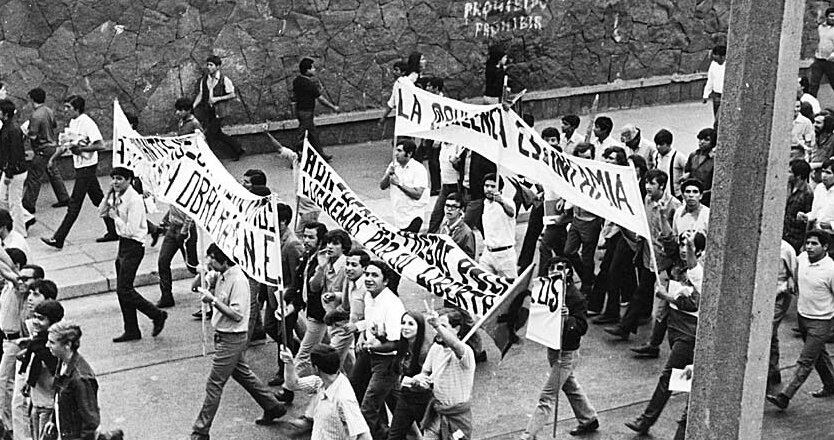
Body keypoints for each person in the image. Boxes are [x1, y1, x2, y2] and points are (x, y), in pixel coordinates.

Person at [191, 244, 287, 439]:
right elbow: (195, 287)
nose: (210, 261)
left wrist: (213, 301)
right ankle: (273, 406)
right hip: (222, 335)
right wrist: (203, 272)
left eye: (212, 258)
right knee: (243, 374)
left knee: (214, 384)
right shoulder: (220, 274)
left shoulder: (239, 281)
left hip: (232, 338)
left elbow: (237, 314)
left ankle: (201, 430)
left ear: (225, 261)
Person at [625, 231, 705, 435]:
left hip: (689, 333)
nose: (683, 251)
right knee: (680, 379)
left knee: (669, 377)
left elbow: (692, 304)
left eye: (689, 248)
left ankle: (648, 420)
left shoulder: (700, 273)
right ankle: (679, 426)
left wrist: (666, 297)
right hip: (676, 329)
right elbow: (666, 241)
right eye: (682, 247)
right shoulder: (678, 268)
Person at [521, 257, 599, 439]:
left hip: (566, 352)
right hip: (553, 348)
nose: (556, 271)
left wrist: (568, 318)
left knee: (547, 396)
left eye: (561, 268)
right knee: (569, 384)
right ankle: (588, 418)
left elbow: (582, 327)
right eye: (552, 268)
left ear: (569, 272)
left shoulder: (575, 297)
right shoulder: (547, 291)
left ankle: (529, 434)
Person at [606, 170, 680, 341]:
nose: (647, 186)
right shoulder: (647, 200)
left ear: (661, 186)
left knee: (660, 293)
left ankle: (635, 330)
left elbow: (673, 234)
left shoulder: (673, 205)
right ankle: (630, 325)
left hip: (665, 257)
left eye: (652, 183)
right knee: (643, 288)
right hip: (648, 251)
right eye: (646, 182)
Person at [99, 167, 167, 343]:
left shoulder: (135, 200)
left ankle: (157, 314)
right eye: (113, 178)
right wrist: (109, 194)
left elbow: (131, 230)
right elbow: (101, 212)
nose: (115, 181)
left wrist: (116, 218)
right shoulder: (118, 196)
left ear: (129, 180)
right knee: (122, 291)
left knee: (124, 289)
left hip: (134, 246)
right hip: (123, 246)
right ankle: (131, 329)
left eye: (119, 178)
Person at [768, 229, 834, 410]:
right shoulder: (802, 258)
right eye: (809, 243)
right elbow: (793, 272)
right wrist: (790, 279)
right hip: (802, 317)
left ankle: (785, 396)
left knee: (805, 360)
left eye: (815, 244)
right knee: (818, 355)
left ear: (825, 247)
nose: (810, 247)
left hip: (821, 322)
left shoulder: (830, 269)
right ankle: (831, 384)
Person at [41, 95, 117, 249]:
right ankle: (118, 230)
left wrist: (81, 149)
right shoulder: (73, 123)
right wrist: (53, 159)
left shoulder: (87, 123)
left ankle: (59, 238)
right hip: (80, 166)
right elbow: (66, 145)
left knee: (74, 204)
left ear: (77, 108)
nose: (66, 110)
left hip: (88, 167)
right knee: (99, 200)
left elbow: (101, 145)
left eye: (69, 107)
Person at [350, 260, 405, 440]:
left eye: (375, 275)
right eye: (367, 274)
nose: (369, 279)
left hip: (387, 359)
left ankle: (384, 436)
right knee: (356, 390)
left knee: (369, 407)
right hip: (369, 354)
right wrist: (359, 330)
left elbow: (395, 342)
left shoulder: (393, 304)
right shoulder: (369, 296)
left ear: (386, 281)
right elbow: (371, 321)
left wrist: (375, 345)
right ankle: (400, 429)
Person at [409, 307, 476, 440]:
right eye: (436, 327)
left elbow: (456, 345)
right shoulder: (435, 348)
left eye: (443, 326)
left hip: (457, 418)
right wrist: (420, 380)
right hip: (436, 413)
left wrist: (437, 325)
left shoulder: (465, 352)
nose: (437, 331)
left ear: (456, 329)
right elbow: (425, 373)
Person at [280, 344, 370, 440]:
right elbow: (293, 384)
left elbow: (364, 435)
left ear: (316, 368)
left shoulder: (344, 399)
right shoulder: (320, 381)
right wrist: (289, 362)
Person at [264, 203, 304, 386]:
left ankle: (283, 371)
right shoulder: (272, 237)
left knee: (285, 334)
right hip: (272, 293)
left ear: (282, 222)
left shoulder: (292, 244)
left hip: (285, 297)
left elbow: (296, 276)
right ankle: (298, 348)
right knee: (269, 327)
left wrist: (288, 299)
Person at [42, 322, 99, 440]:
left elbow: (91, 423)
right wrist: (53, 420)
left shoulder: (81, 378)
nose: (47, 345)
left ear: (67, 345)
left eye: (52, 342)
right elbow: (60, 398)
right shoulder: (62, 362)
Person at [19, 299, 63, 440]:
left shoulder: (51, 348)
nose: (36, 322)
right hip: (36, 402)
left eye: (41, 319)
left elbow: (57, 375)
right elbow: (33, 365)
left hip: (48, 405)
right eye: (35, 317)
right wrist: (28, 383)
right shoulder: (36, 343)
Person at [322, 249, 370, 376]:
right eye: (347, 264)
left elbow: (372, 315)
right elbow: (350, 300)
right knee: (351, 364)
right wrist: (335, 296)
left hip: (365, 335)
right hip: (352, 331)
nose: (348, 268)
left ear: (364, 268)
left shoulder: (367, 288)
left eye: (354, 265)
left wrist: (362, 334)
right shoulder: (350, 281)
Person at [22, 87, 69, 215]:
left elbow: (32, 135)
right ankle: (64, 197)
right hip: (51, 146)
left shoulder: (35, 115)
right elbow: (53, 125)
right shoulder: (49, 111)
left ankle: (28, 204)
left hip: (42, 149)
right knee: (53, 172)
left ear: (32, 99)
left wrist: (24, 131)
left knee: (34, 176)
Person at [387, 311, 431, 440]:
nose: (405, 327)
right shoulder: (404, 344)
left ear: (420, 328)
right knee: (394, 436)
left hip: (423, 401)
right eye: (403, 323)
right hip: (406, 398)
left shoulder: (425, 350)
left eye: (411, 324)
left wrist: (411, 381)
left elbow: (429, 381)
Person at [192, 55, 245, 160]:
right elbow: (201, 94)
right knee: (217, 133)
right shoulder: (204, 79)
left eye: (211, 65)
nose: (208, 67)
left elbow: (232, 94)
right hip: (209, 111)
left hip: (220, 111)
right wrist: (193, 106)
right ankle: (238, 148)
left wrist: (217, 98)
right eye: (207, 65)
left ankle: (214, 158)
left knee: (211, 133)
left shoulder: (224, 79)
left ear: (218, 67)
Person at [0, 248, 26, 438]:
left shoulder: (17, 285)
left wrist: (8, 266)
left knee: (2, 380)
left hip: (14, 340)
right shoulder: (8, 287)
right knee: (7, 383)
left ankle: (6, 423)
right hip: (6, 339)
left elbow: (6, 270)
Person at [293, 57, 340, 161]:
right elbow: (321, 99)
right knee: (302, 135)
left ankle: (320, 154)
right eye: (312, 68)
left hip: (300, 110)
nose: (314, 70)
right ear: (307, 70)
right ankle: (295, 157)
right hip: (307, 112)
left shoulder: (297, 81)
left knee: (313, 134)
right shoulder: (309, 84)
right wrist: (333, 107)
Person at [379, 139, 429, 232]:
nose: (396, 154)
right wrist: (388, 175)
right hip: (399, 215)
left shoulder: (418, 169)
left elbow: (417, 194)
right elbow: (382, 186)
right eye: (396, 150)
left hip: (413, 215)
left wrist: (399, 184)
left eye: (399, 151)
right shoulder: (394, 165)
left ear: (409, 153)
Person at [0, 100, 32, 238]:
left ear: (5, 113)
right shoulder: (8, 127)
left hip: (14, 172)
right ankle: (22, 221)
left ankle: (19, 231)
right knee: (4, 199)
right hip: (11, 170)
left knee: (14, 201)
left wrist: (8, 173)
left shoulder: (12, 129)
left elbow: (14, 153)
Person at [769, 240, 798, 388]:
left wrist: (791, 280)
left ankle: (769, 372)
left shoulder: (786, 249)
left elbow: (794, 271)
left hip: (780, 292)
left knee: (769, 329)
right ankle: (773, 371)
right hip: (764, 292)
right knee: (770, 334)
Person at [479, 173, 517, 278]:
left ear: (500, 189)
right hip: (488, 253)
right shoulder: (485, 203)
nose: (489, 189)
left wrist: (502, 202)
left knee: (512, 288)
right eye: (486, 186)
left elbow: (511, 212)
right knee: (483, 284)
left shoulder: (507, 202)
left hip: (505, 254)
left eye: (493, 186)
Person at [427, 142, 462, 233]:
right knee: (436, 215)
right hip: (445, 185)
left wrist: (455, 163)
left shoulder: (458, 145)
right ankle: (431, 237)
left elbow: (462, 167)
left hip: (456, 185)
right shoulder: (442, 144)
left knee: (461, 216)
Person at [798, 158, 834, 238]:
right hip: (818, 233)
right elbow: (815, 212)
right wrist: (806, 216)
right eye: (823, 171)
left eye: (828, 173)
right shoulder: (819, 188)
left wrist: (831, 225)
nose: (824, 175)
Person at [785, 159, 814, 252]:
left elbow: (808, 220)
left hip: (796, 238)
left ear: (799, 176)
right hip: (784, 232)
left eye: (790, 172)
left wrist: (804, 243)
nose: (787, 174)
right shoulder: (788, 186)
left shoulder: (807, 194)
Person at [682, 127, 716, 206]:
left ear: (713, 142)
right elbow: (687, 171)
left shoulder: (715, 159)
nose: (702, 142)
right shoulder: (693, 155)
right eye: (700, 139)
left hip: (706, 198)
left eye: (706, 140)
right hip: (692, 196)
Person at [437, 193, 475, 259]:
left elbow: (470, 259)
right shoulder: (443, 227)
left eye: (454, 207)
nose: (449, 209)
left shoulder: (467, 232)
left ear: (461, 209)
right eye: (447, 205)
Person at [652, 129, 686, 199]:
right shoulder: (655, 155)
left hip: (675, 195)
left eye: (661, 144)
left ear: (669, 144)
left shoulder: (678, 156)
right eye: (656, 144)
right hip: (661, 194)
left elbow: (689, 169)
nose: (658, 147)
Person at [809, 7, 834, 97]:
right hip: (818, 60)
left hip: (830, 61)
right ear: (827, 17)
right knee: (813, 84)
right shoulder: (820, 27)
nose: (833, 18)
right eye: (831, 16)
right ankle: (811, 106)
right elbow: (814, 40)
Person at [702, 45, 726, 120]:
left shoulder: (728, 65)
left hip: (726, 94)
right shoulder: (713, 64)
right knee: (717, 118)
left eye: (716, 58)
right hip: (717, 94)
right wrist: (706, 94)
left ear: (722, 56)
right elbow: (710, 80)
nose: (715, 61)